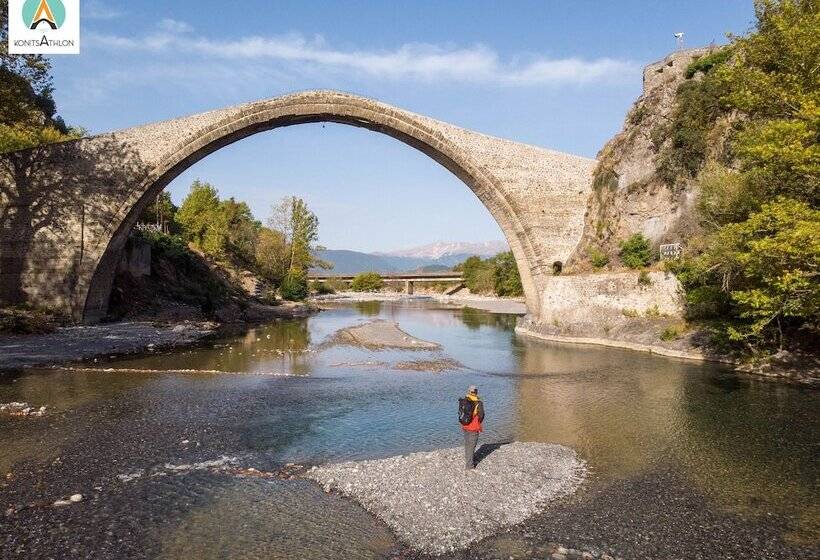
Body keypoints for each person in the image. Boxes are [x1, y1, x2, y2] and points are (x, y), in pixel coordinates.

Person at [461, 385, 485, 470]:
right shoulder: (479, 403)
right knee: (471, 446)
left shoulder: (464, 400)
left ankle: (468, 459)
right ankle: (469, 466)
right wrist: (478, 422)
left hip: (465, 425)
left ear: (469, 391)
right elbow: (481, 415)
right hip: (473, 427)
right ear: (476, 392)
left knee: (467, 444)